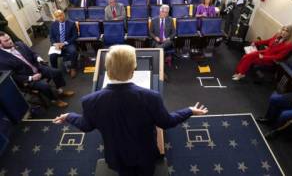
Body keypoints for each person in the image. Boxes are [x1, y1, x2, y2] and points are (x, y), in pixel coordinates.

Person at [53, 44, 208, 176]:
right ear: (133, 69)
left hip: (117, 157)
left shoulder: (90, 101)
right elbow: (167, 122)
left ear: (107, 68)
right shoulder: (151, 97)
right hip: (145, 156)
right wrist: (189, 110)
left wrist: (69, 116)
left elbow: (86, 125)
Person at [0, 31, 74, 107]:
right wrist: (31, 78)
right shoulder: (2, 60)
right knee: (44, 86)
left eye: (9, 38)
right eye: (6, 41)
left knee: (56, 72)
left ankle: (60, 91)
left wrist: (38, 58)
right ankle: (54, 100)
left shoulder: (19, 44)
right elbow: (13, 76)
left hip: (37, 68)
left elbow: (33, 53)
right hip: (27, 78)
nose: (10, 41)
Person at [49, 10, 78, 78]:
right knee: (52, 56)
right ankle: (55, 71)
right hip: (57, 44)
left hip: (68, 43)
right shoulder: (53, 25)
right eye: (57, 17)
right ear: (55, 18)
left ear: (64, 14)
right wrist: (55, 44)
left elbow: (75, 35)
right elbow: (51, 37)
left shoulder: (71, 23)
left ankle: (73, 68)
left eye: (61, 15)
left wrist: (64, 43)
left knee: (73, 52)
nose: (60, 18)